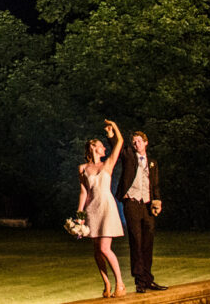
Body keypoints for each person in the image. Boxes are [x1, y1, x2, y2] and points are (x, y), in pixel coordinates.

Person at [78, 119, 125, 298]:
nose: (104, 148)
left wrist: (114, 126)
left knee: (105, 248)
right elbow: (83, 193)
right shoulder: (83, 168)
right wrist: (80, 215)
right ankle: (106, 283)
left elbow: (119, 143)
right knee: (97, 251)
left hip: (106, 207)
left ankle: (120, 283)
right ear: (93, 148)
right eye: (100, 145)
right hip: (92, 208)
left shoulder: (108, 164)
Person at [118, 128, 166, 293]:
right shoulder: (130, 158)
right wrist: (112, 134)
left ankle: (148, 279)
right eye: (134, 142)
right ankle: (139, 281)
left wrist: (157, 202)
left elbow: (155, 185)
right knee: (136, 241)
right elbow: (117, 147)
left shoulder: (152, 162)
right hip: (132, 203)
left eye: (139, 141)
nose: (136, 144)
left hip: (147, 205)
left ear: (146, 142)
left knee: (148, 242)